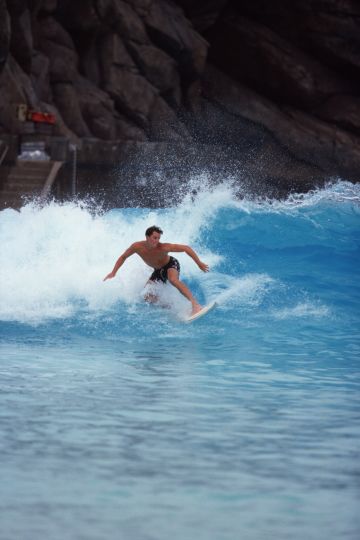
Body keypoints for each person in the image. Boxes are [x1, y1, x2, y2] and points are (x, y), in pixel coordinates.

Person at [103, 225, 209, 315]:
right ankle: (170, 307)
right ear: (147, 237)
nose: (157, 241)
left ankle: (195, 305)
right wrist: (113, 272)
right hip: (158, 271)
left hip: (170, 264)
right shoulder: (137, 247)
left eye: (158, 238)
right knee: (146, 295)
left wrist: (199, 263)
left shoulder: (163, 247)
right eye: (154, 238)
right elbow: (123, 257)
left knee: (173, 280)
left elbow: (186, 248)